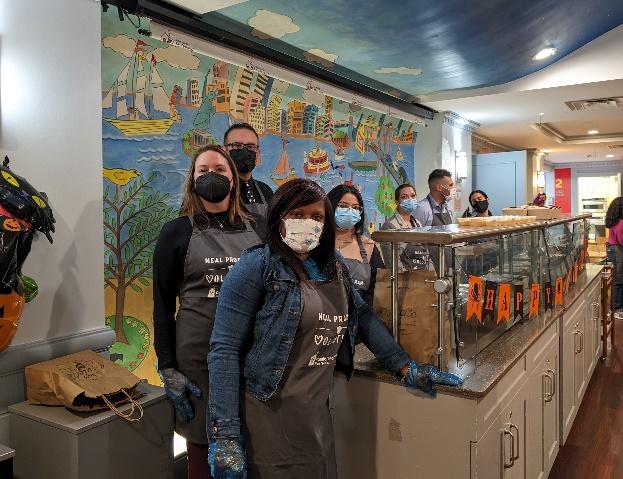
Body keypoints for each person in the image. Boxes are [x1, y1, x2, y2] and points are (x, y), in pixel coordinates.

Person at [207, 179, 462, 479]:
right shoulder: (256, 267)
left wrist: (405, 367)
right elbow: (223, 349)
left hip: (315, 412)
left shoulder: (332, 266)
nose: (308, 223)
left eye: (317, 217)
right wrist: (224, 436)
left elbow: (362, 316)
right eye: (297, 214)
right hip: (267, 413)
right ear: (278, 218)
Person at [152, 145, 263, 479]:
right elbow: (161, 302)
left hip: (252, 351)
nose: (211, 175)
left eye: (219, 169)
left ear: (233, 178)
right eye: (203, 170)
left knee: (255, 440)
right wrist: (167, 365)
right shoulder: (176, 232)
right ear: (192, 179)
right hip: (198, 356)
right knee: (204, 446)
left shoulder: (259, 228)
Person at [327, 184, 384, 308]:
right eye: (343, 206)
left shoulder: (369, 246)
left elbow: (379, 290)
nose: (350, 211)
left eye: (355, 207)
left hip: (361, 318)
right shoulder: (316, 244)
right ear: (329, 207)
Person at [223, 123, 273, 221]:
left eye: (251, 147)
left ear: (257, 154)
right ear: (224, 152)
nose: (245, 151)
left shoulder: (266, 191)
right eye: (237, 146)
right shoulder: (212, 191)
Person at [380, 183, 429, 271]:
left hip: (421, 275)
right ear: (397, 202)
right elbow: (391, 262)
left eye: (413, 196)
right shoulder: (389, 226)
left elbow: (425, 252)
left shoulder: (417, 223)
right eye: (404, 197)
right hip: (403, 279)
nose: (410, 199)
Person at [605, 197, 623, 315]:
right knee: (619, 279)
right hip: (618, 251)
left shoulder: (614, 220)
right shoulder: (621, 223)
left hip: (612, 249)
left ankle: (616, 306)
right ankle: (618, 308)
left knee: (616, 279)